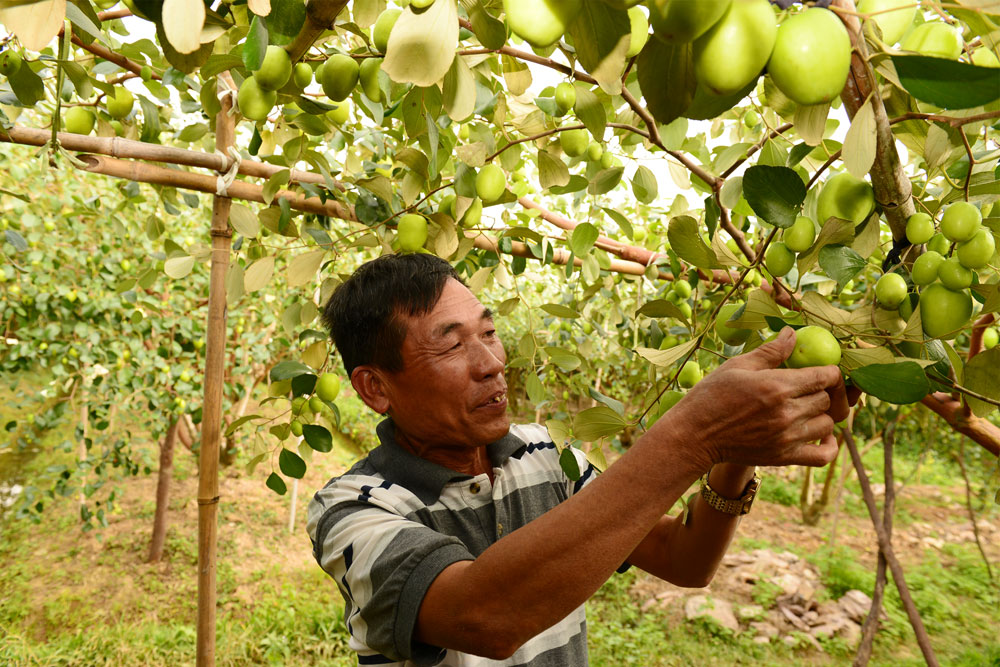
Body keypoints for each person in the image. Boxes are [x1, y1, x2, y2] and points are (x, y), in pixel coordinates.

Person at [307, 253, 850, 666]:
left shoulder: (544, 454)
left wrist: (733, 454)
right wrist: (693, 435)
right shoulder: (352, 510)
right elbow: (485, 618)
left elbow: (685, 560)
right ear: (375, 388)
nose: (493, 362)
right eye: (451, 346)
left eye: (490, 333)